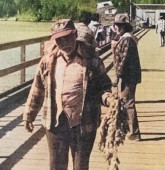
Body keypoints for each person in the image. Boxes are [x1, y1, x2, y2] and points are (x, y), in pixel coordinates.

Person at [23, 19, 113, 170]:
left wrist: (109, 99)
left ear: (75, 35)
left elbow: (103, 88)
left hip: (84, 124)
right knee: (56, 166)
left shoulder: (92, 60)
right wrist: (29, 115)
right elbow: (37, 89)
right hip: (56, 123)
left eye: (68, 37)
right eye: (59, 39)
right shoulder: (48, 60)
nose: (64, 42)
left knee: (80, 166)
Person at [112, 13, 142, 141]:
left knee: (129, 103)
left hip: (129, 76)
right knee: (126, 102)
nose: (117, 28)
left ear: (125, 26)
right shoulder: (127, 38)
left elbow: (123, 61)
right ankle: (127, 129)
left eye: (120, 25)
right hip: (129, 76)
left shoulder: (127, 40)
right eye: (116, 25)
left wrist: (117, 77)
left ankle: (135, 133)